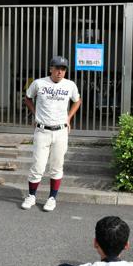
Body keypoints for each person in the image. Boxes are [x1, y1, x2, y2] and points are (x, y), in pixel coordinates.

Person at [21, 55, 81, 212]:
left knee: (56, 166)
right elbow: (27, 98)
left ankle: (52, 198)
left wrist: (69, 117)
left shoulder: (70, 85)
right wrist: (35, 113)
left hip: (60, 131)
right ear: (51, 69)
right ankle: (31, 195)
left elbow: (77, 100)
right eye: (57, 68)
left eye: (63, 69)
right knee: (38, 165)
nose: (60, 72)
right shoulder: (39, 83)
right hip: (42, 130)